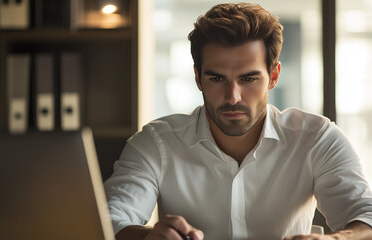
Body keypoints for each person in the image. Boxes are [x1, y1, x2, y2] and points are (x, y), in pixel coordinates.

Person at [104, 2, 372, 240]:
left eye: (248, 79)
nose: (233, 97)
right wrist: (148, 237)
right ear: (198, 78)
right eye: (217, 78)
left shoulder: (316, 138)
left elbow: (366, 215)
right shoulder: (156, 142)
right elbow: (108, 219)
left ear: (274, 76)